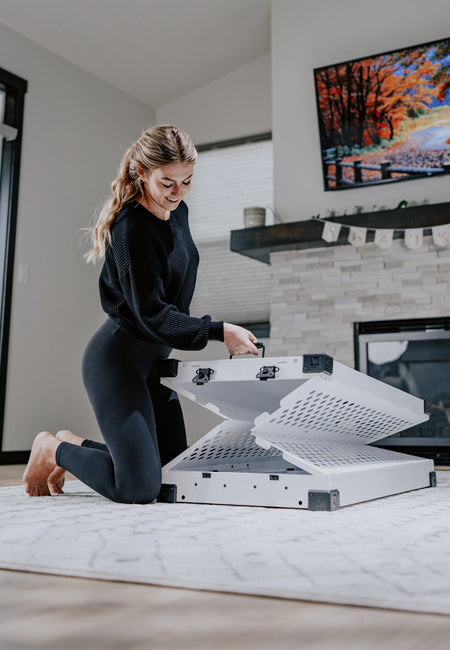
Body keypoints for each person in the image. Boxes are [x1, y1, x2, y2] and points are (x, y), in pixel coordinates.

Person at [23, 124, 258, 503]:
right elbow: (153, 315)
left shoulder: (178, 213)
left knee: (173, 476)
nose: (177, 193)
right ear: (141, 172)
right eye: (167, 183)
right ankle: (53, 449)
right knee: (139, 487)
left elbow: (173, 301)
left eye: (187, 181)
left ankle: (72, 442)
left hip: (154, 364)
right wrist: (221, 330)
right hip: (117, 363)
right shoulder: (131, 227)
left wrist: (214, 333)